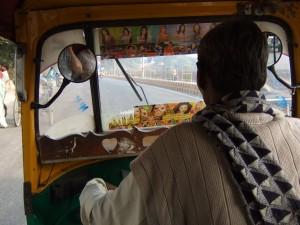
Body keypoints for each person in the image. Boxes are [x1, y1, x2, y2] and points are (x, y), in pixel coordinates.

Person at [80, 18, 300, 225]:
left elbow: (107, 217)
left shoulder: (173, 146)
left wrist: (92, 187)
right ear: (262, 75)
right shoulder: (297, 129)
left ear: (200, 77)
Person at [0, 63, 9, 128]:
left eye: (2, 66)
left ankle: (2, 122)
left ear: (5, 68)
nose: (1, 67)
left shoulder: (4, 74)